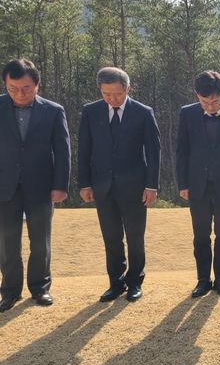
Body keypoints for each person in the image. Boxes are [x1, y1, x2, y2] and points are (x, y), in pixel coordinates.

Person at [78, 67, 161, 303]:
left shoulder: (143, 112)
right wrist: (84, 183)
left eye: (117, 94)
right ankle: (115, 282)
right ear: (100, 90)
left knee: (135, 236)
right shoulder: (91, 112)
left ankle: (135, 281)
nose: (112, 99)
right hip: (102, 185)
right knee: (111, 236)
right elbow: (84, 150)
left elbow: (154, 152)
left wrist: (151, 186)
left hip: (135, 187)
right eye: (106, 94)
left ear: (128, 88)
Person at [0, 59, 70, 312]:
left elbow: (62, 151)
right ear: (6, 85)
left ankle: (40, 288)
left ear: (37, 85)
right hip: (4, 187)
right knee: (7, 243)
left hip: (41, 186)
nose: (20, 94)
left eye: (26, 88)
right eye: (13, 88)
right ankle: (9, 291)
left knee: (40, 241)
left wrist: (60, 185)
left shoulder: (53, 111)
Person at [176, 71, 220, 298]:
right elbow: (182, 151)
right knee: (201, 235)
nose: (210, 106)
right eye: (204, 102)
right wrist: (183, 183)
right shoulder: (187, 114)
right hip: (197, 185)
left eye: (214, 101)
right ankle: (203, 280)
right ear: (197, 97)